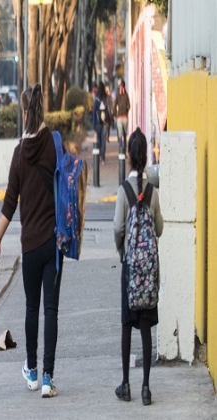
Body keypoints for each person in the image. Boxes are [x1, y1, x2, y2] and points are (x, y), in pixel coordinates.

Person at [0, 83, 63, 398]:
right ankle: (48, 378)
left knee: (32, 308)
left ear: (24, 113)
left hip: (30, 245)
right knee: (51, 310)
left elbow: (9, 202)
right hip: (53, 241)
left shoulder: (20, 153)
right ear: (42, 109)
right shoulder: (53, 144)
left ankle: (32, 372)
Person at [113, 128, 163, 406]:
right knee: (145, 327)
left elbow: (118, 228)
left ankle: (125, 384)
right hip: (148, 273)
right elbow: (160, 227)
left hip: (130, 269)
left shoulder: (124, 190)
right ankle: (146, 388)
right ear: (146, 156)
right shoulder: (152, 192)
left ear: (129, 157)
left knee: (125, 325)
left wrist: (124, 252)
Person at [92, 81, 111, 165]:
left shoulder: (96, 99)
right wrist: (110, 120)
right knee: (103, 140)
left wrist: (93, 125)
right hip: (105, 123)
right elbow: (109, 110)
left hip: (98, 123)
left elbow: (93, 112)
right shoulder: (106, 98)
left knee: (98, 140)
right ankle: (103, 158)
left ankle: (99, 156)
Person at [114, 80, 131, 151]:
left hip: (123, 117)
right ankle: (121, 149)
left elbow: (129, 105)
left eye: (121, 86)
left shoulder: (125, 95)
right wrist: (115, 114)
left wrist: (125, 110)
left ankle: (123, 149)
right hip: (121, 117)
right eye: (120, 86)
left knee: (123, 134)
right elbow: (115, 105)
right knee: (121, 134)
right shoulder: (120, 95)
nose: (120, 88)